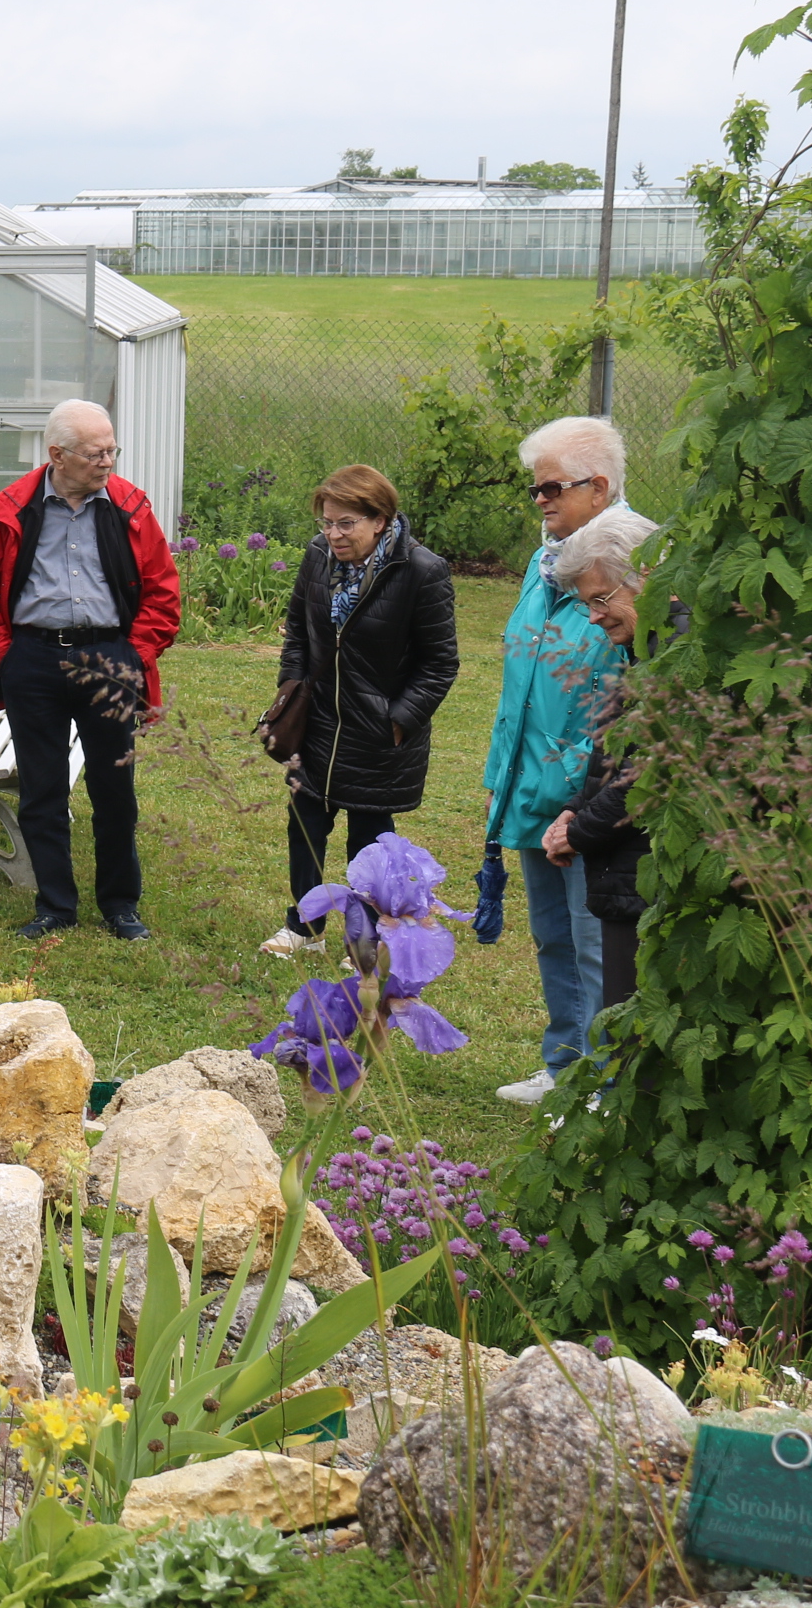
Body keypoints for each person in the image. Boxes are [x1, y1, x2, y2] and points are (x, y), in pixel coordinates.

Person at [0, 399, 182, 941]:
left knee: (114, 789)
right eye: (95, 453)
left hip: (109, 659)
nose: (108, 462)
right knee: (42, 791)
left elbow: (163, 593)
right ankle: (55, 906)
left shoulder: (130, 507)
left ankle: (120, 905)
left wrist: (133, 654)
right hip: (33, 662)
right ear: (57, 455)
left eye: (112, 450)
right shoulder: (11, 508)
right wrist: (7, 655)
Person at [484, 414, 631, 1104]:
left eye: (551, 488)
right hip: (531, 783)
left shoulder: (627, 564)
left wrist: (579, 799)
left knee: (596, 940)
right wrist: (502, 777)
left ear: (598, 487)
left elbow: (620, 693)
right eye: (534, 488)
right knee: (552, 936)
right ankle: (566, 1066)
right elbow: (519, 681)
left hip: (588, 794)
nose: (539, 500)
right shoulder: (544, 565)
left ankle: (606, 1078)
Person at [265, 465, 458, 955]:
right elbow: (297, 630)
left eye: (346, 523)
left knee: (370, 842)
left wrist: (398, 721)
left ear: (380, 520)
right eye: (327, 522)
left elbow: (440, 663)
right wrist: (291, 690)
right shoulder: (318, 556)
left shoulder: (421, 571)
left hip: (377, 734)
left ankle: (367, 943)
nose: (333, 534)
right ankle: (304, 929)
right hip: (316, 723)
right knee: (305, 824)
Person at [542, 506, 663, 1018]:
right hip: (625, 875)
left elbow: (653, 775)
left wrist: (581, 830)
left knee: (632, 1025)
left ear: (646, 577)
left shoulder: (676, 654)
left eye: (600, 599)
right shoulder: (645, 651)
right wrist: (576, 806)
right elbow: (620, 751)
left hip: (644, 878)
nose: (593, 617)